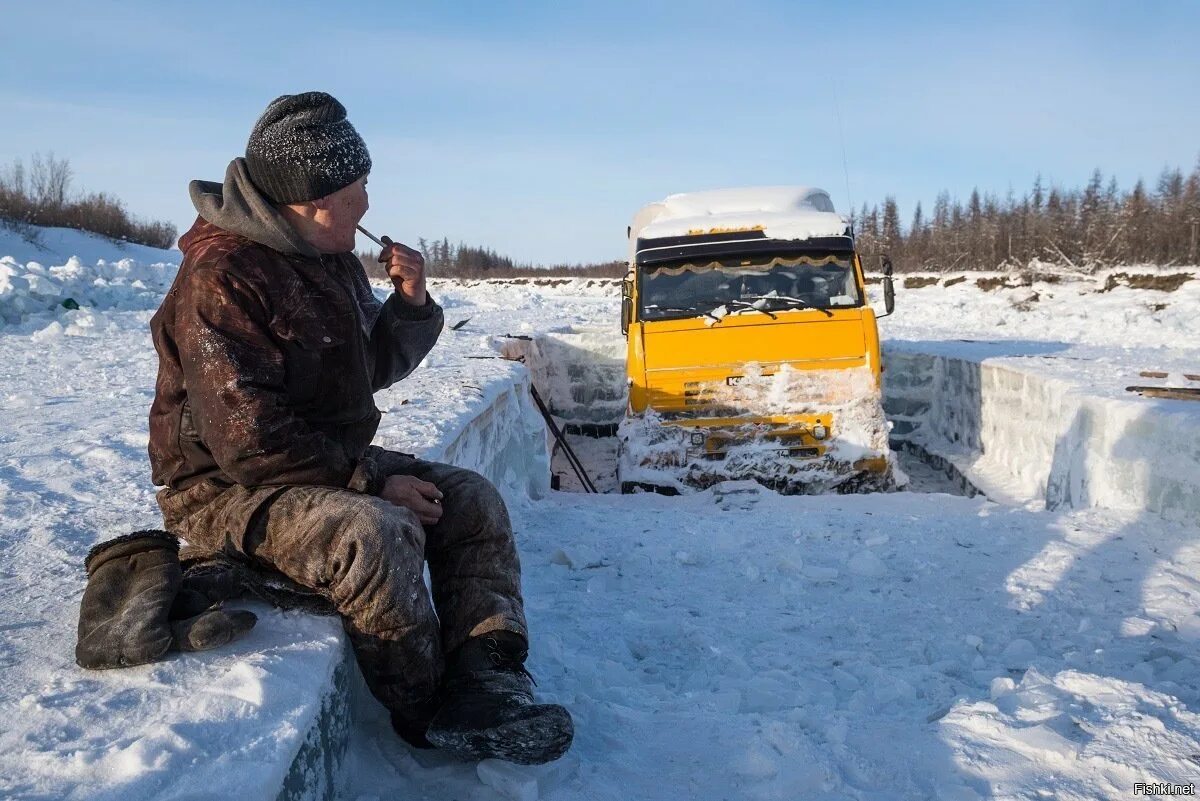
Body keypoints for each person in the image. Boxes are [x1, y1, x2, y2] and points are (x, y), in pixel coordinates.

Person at [146, 91, 572, 765]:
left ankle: (487, 677)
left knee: (469, 500)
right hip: (223, 491)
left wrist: (409, 305)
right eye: (358, 188)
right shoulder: (221, 277)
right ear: (313, 200)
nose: (368, 204)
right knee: (377, 531)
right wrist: (371, 479)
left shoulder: (328, 259)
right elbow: (249, 441)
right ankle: (426, 706)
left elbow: (363, 368)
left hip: (315, 463)